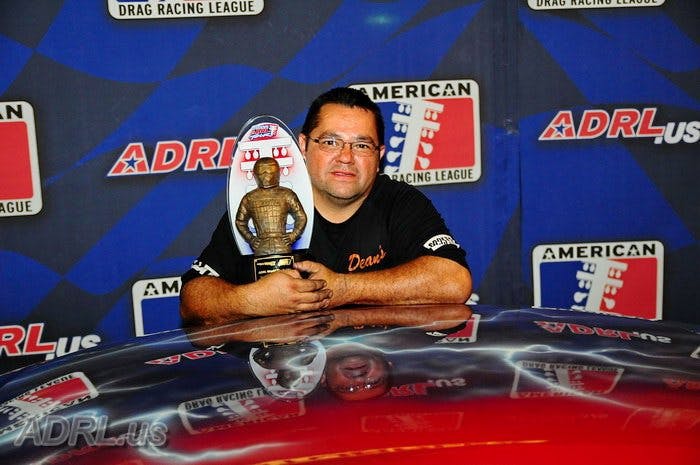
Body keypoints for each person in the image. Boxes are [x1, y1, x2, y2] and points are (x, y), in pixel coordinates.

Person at [180, 87, 472, 325]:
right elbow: (193, 299)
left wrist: (342, 288)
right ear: (303, 146)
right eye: (331, 142)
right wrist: (251, 301)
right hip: (287, 375)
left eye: (361, 145)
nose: (346, 157)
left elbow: (454, 282)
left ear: (379, 155)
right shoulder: (260, 200)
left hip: (381, 368)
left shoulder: (400, 202)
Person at [235, 157, 307, 256]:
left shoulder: (287, 195)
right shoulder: (249, 198)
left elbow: (301, 217)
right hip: (261, 247)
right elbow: (240, 222)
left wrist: (293, 236)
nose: (266, 177)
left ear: (277, 173)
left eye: (269, 172)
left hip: (282, 246)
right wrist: (251, 239)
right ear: (255, 175)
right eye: (262, 173)